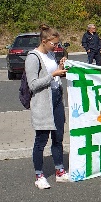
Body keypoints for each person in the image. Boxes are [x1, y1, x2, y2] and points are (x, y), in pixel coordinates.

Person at [27, 24, 70, 189]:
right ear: (44, 41)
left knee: (58, 136)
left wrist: (60, 68)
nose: (56, 47)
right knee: (41, 139)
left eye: (58, 44)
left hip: (57, 97)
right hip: (43, 101)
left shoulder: (51, 54)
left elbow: (55, 75)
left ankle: (59, 170)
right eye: (54, 44)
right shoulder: (33, 57)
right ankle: (39, 175)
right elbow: (33, 85)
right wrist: (53, 75)